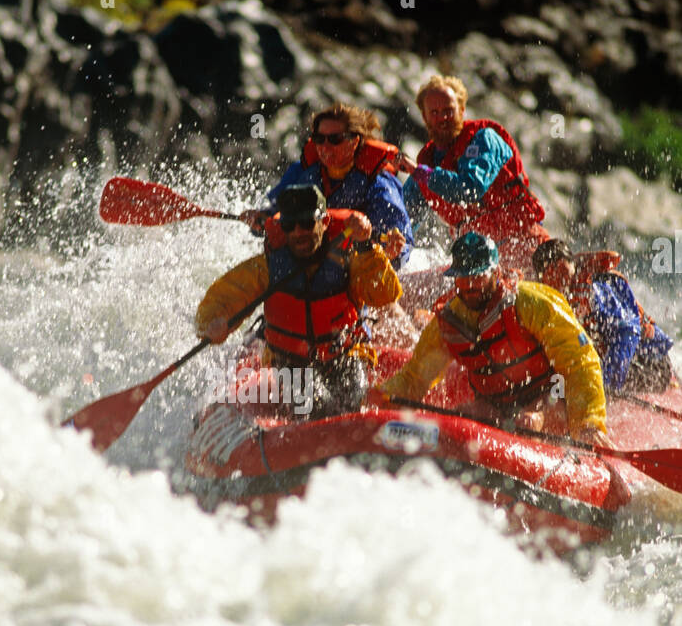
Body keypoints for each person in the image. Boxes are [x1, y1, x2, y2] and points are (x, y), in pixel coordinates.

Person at [378, 232, 610, 446]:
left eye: (478, 276)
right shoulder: (448, 322)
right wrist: (382, 396)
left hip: (550, 399)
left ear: (496, 273)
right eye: (463, 277)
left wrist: (588, 422)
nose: (470, 285)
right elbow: (414, 377)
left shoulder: (529, 302)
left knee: (526, 422)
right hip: (496, 405)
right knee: (464, 415)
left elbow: (581, 360)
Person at [197, 184, 402, 418]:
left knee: (352, 402)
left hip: (344, 354)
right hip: (291, 362)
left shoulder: (351, 256)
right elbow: (220, 299)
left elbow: (386, 294)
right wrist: (211, 323)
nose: (298, 232)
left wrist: (366, 245)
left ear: (324, 222)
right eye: (289, 225)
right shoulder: (267, 267)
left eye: (306, 223)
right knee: (314, 408)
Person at [397, 75, 550, 273]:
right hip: (473, 265)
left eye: (448, 110)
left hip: (524, 247)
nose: (442, 118)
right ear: (424, 117)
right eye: (434, 112)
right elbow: (401, 216)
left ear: (461, 110)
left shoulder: (486, 139)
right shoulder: (426, 166)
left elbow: (469, 189)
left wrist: (419, 172)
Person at [242, 103, 414, 267]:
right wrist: (259, 218)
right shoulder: (302, 172)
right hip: (308, 262)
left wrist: (394, 251)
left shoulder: (379, 182)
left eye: (335, 139)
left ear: (354, 142)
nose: (325, 147)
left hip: (359, 269)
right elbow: (272, 210)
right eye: (319, 139)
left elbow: (402, 242)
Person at [532, 239, 675, 395]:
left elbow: (627, 332)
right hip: (616, 364)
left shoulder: (594, 287)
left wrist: (607, 384)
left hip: (652, 365)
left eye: (560, 267)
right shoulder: (551, 301)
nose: (558, 277)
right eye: (550, 273)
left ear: (570, 262)